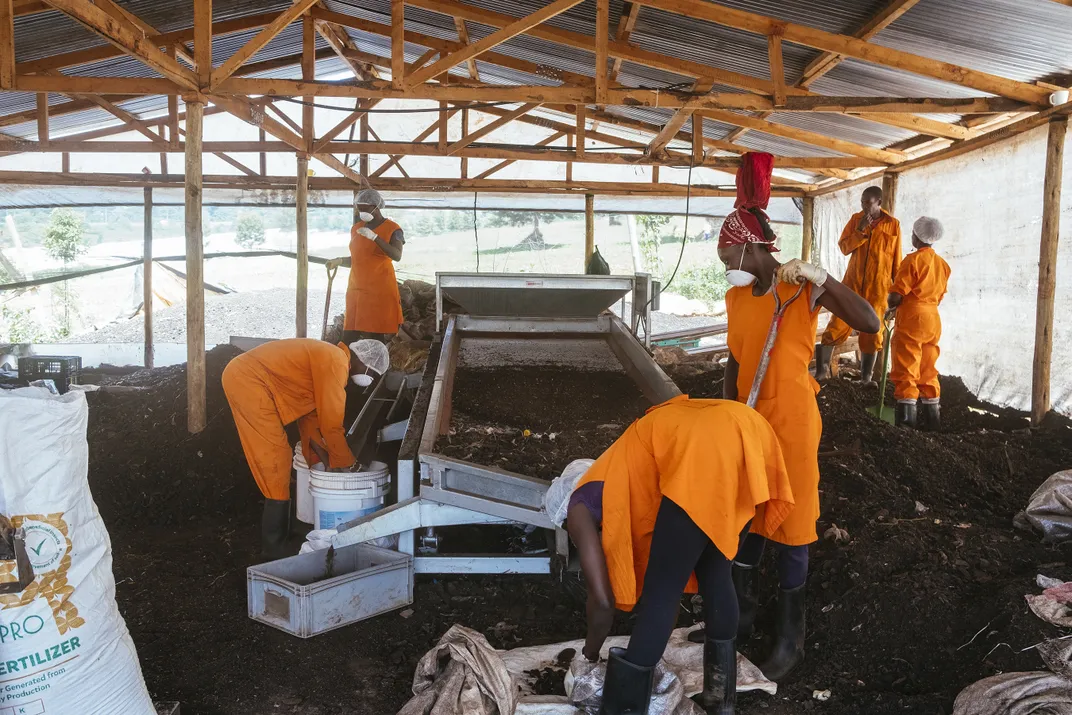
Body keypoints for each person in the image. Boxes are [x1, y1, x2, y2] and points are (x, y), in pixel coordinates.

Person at [705, 152, 879, 682]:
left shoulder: (798, 288)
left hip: (794, 425)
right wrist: (725, 420)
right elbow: (735, 367)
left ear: (750, 246)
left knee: (795, 523)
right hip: (749, 424)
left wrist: (822, 277)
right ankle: (740, 619)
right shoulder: (738, 301)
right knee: (746, 518)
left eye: (725, 250)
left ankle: (789, 639)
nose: (722, 260)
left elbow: (868, 319)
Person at [544, 397, 796, 715]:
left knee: (661, 592)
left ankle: (623, 708)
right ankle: (722, 702)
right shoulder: (622, 469)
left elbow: (603, 602)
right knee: (716, 572)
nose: (580, 536)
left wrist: (589, 655)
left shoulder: (579, 503)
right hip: (747, 433)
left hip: (707, 449)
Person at [221, 338, 390, 558]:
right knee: (275, 455)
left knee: (281, 453)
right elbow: (331, 424)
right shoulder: (336, 362)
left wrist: (319, 463)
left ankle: (285, 533)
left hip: (250, 378)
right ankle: (274, 546)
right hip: (248, 380)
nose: (370, 378)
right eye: (373, 373)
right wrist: (349, 464)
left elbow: (311, 422)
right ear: (365, 363)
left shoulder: (330, 359)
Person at [815, 186, 902, 384]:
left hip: (878, 289)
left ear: (879, 202)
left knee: (873, 333)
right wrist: (860, 230)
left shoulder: (893, 225)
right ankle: (821, 374)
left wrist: (897, 292)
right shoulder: (856, 220)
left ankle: (866, 379)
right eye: (862, 202)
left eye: (868, 203)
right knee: (836, 326)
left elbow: (897, 261)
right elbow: (844, 248)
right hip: (851, 285)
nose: (863, 206)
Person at [886, 217, 950, 430]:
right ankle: (933, 423)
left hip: (913, 317)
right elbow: (940, 295)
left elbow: (896, 296)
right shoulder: (943, 264)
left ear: (916, 236)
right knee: (928, 366)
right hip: (932, 318)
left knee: (906, 366)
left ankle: (906, 427)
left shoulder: (912, 261)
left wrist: (889, 309)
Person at [341, 187, 405, 345]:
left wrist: (375, 237)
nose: (360, 211)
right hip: (357, 288)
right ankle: (346, 366)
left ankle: (376, 369)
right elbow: (360, 258)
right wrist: (340, 261)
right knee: (350, 333)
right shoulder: (357, 228)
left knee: (374, 335)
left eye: (364, 207)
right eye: (359, 207)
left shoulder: (393, 229)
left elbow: (396, 255)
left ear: (376, 206)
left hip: (379, 289)